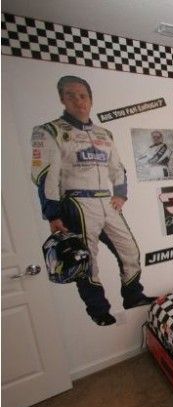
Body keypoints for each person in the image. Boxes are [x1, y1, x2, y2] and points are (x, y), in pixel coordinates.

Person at [31, 75, 154, 326]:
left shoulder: (103, 133)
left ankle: (133, 296)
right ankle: (98, 310)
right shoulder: (49, 131)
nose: (78, 101)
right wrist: (53, 214)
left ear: (91, 99)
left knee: (129, 249)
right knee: (87, 259)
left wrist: (120, 194)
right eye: (71, 95)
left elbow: (117, 167)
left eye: (83, 95)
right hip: (76, 202)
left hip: (106, 201)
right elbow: (46, 175)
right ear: (62, 99)